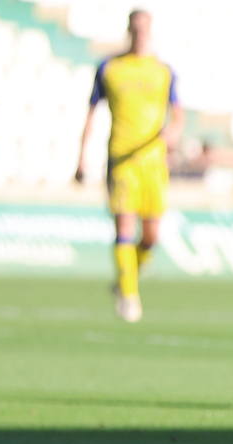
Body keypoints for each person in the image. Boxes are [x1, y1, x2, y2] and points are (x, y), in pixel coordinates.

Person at [75, 9, 183, 323]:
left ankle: (126, 278)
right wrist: (81, 156)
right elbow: (91, 113)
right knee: (124, 226)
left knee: (151, 238)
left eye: (145, 28)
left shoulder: (163, 71)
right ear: (128, 30)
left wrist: (173, 132)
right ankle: (129, 295)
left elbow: (178, 113)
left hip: (154, 163)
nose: (140, 34)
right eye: (135, 28)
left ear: (151, 31)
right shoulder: (110, 68)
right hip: (121, 161)